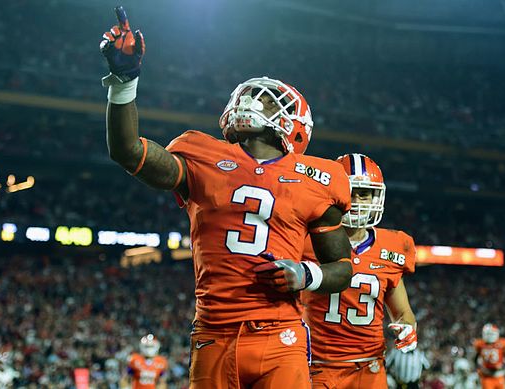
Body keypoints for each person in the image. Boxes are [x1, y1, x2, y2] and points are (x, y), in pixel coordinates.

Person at [100, 6, 353, 389]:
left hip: (280, 335)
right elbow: (128, 152)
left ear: (294, 124)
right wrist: (124, 80)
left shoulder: (319, 178)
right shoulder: (202, 155)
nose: (251, 103)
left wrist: (306, 273)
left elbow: (342, 267)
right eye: (249, 97)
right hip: (214, 334)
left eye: (265, 101)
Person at [302, 153, 418, 389]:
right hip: (316, 364)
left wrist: (407, 328)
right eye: (349, 192)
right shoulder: (304, 239)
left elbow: (403, 312)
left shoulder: (395, 245)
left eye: (363, 194)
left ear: (376, 197)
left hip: (369, 367)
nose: (355, 201)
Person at [473, 323, 505, 389]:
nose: (489, 336)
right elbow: (475, 359)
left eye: (491, 334)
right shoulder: (480, 344)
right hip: (486, 376)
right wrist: (480, 368)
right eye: (488, 334)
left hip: (499, 374)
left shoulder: (502, 343)